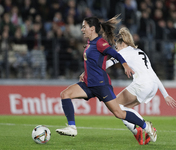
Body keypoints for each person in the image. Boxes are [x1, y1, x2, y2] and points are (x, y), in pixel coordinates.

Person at [55, 15, 157, 143]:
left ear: (92, 28)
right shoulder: (90, 43)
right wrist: (84, 72)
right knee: (65, 94)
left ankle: (145, 126)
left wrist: (125, 65)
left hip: (101, 85)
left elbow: (114, 54)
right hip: (88, 84)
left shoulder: (99, 42)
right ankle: (72, 127)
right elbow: (93, 62)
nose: (82, 29)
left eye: (84, 27)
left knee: (119, 113)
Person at [106, 27, 176, 145]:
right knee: (123, 109)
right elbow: (153, 74)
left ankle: (143, 127)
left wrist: (90, 71)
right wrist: (165, 94)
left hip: (142, 84)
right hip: (152, 86)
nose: (116, 50)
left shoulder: (124, 51)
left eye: (116, 47)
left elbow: (108, 63)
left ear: (122, 43)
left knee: (114, 105)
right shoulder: (140, 52)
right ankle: (140, 130)